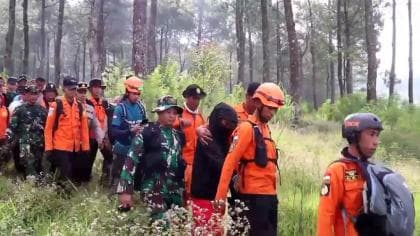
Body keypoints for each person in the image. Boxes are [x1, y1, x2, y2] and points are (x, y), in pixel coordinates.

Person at [214, 82, 285, 236]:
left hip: (269, 197)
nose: (272, 113)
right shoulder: (246, 128)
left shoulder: (266, 129)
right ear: (258, 103)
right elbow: (230, 162)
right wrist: (220, 197)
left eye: (275, 110)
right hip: (251, 198)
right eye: (270, 108)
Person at [117, 95, 185, 222]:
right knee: (159, 226)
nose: (172, 116)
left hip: (174, 189)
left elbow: (179, 162)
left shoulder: (178, 136)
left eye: (174, 113)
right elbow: (131, 160)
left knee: (179, 224)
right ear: (159, 112)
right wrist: (125, 190)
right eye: (168, 112)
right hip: (153, 188)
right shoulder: (147, 132)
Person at [317, 113, 384, 236]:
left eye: (377, 135)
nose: (376, 142)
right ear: (354, 136)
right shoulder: (337, 170)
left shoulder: (374, 170)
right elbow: (325, 215)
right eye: (371, 134)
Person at [190, 102, 238, 234]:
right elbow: (221, 165)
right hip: (203, 195)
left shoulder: (225, 138)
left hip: (217, 195)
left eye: (230, 125)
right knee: (204, 230)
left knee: (215, 230)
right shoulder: (207, 136)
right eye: (224, 123)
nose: (227, 127)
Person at [44, 77, 90, 185]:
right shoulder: (56, 105)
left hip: (75, 147)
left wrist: (86, 147)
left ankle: (65, 193)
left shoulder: (79, 106)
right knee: (65, 172)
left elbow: (84, 128)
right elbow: (48, 128)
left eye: (74, 89)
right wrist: (49, 148)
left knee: (73, 174)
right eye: (70, 89)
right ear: (64, 89)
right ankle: (62, 195)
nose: (73, 91)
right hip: (60, 146)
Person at [111, 76, 147, 190]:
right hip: (122, 149)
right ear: (127, 93)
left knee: (136, 178)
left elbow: (145, 122)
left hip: (136, 148)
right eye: (134, 94)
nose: (136, 96)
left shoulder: (141, 107)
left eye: (138, 94)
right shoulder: (120, 108)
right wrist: (130, 130)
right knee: (118, 179)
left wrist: (143, 128)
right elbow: (114, 132)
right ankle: (113, 200)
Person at [8, 85, 47, 180]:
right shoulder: (19, 110)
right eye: (31, 94)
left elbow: (47, 128)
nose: (33, 96)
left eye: (35, 94)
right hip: (25, 144)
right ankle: (29, 188)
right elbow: (12, 128)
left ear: (38, 96)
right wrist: (9, 144)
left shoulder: (43, 111)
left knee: (38, 167)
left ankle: (36, 188)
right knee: (29, 168)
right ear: (26, 95)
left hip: (39, 144)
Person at [176, 84, 206, 197]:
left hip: (197, 163)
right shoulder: (179, 114)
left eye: (198, 98)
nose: (196, 101)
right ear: (187, 97)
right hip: (183, 162)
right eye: (194, 98)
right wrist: (180, 122)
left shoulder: (200, 117)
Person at [74, 82, 104, 183]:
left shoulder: (90, 108)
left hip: (86, 142)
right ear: (75, 92)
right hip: (71, 142)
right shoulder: (69, 106)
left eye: (84, 92)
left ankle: (83, 188)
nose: (82, 94)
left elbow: (96, 125)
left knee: (86, 166)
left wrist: (100, 139)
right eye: (80, 92)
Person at [86, 78, 113, 186]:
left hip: (103, 137)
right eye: (95, 87)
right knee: (88, 162)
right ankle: (85, 183)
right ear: (91, 89)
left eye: (100, 88)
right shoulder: (87, 102)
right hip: (90, 137)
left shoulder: (105, 103)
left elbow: (108, 119)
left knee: (110, 158)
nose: (98, 90)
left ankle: (105, 181)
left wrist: (106, 136)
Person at [0, 93, 10, 174]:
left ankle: (2, 170)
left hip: (4, 137)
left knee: (4, 154)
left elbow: (9, 123)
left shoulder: (6, 109)